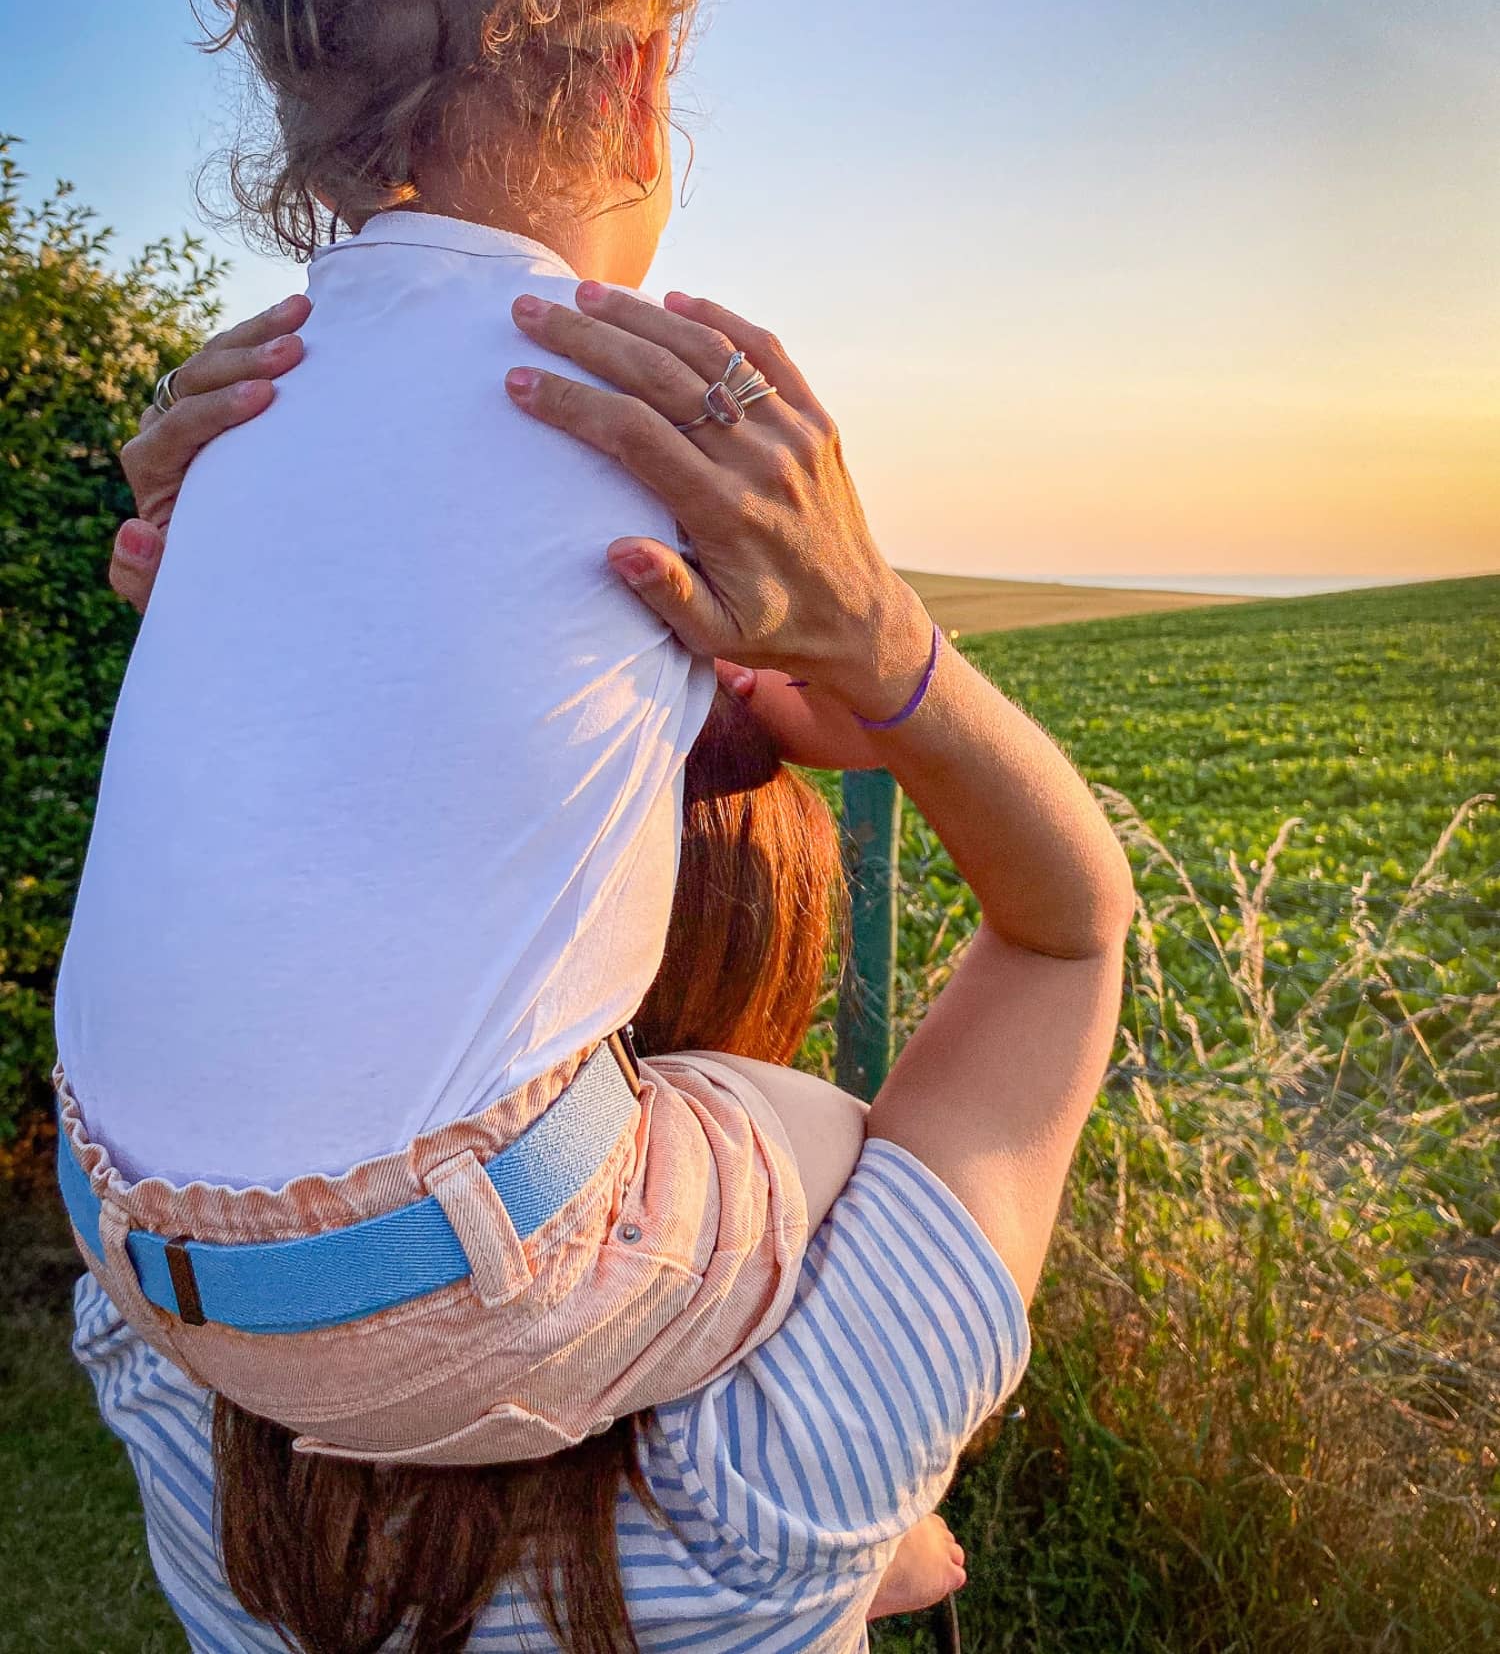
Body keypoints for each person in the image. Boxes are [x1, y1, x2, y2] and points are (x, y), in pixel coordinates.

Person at [74, 292, 1134, 1653]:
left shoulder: (170, 1338)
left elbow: (238, 956)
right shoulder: (801, 1464)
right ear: (766, 932)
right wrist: (880, 641)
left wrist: (227, 616)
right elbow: (1069, 929)